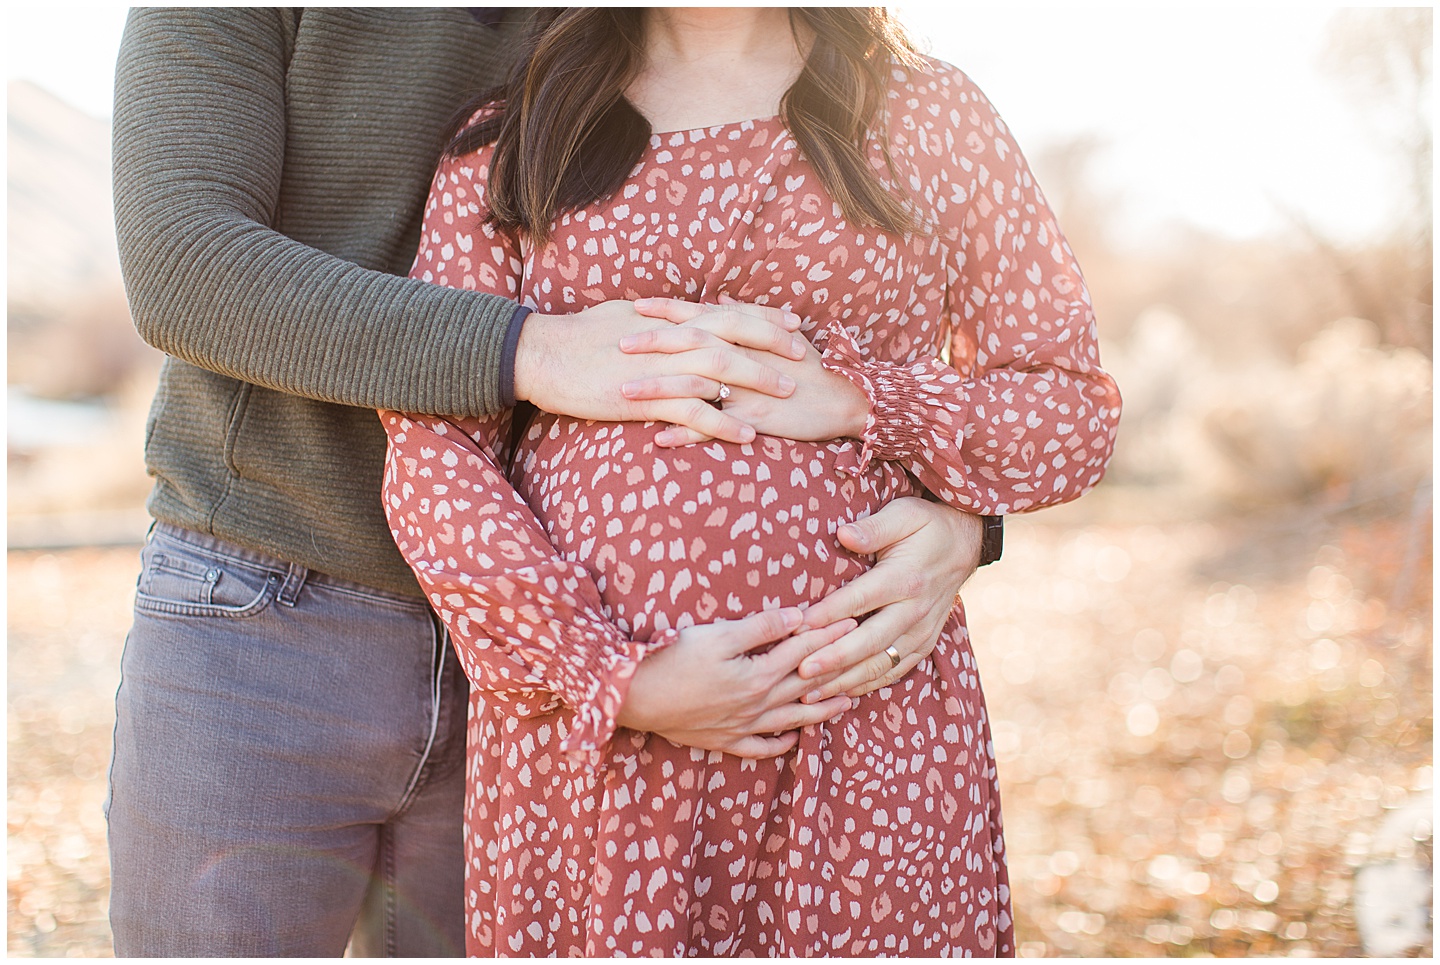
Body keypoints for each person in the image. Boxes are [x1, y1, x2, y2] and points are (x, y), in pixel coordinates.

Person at [106, 7, 990, 957]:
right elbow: (183, 263)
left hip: (564, 663)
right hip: (270, 611)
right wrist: (530, 349)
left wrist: (967, 519)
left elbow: (788, 271)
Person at [382, 6, 1121, 957]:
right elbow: (433, 443)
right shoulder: (521, 125)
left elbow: (1070, 411)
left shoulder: (927, 113)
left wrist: (870, 402)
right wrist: (610, 674)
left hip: (860, 722)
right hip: (599, 743)